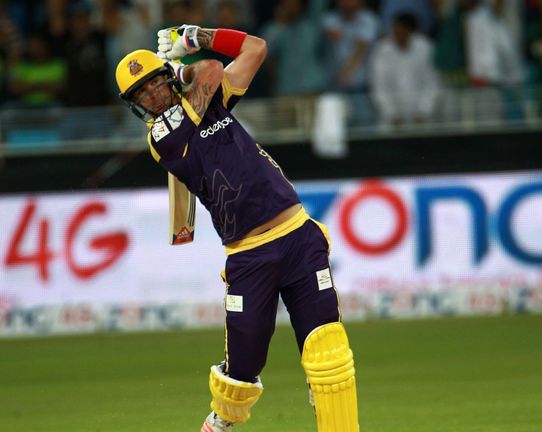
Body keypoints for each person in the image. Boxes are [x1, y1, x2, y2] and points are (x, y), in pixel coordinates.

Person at [114, 24, 359, 432]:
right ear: (137, 106)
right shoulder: (163, 137)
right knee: (242, 370)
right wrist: (188, 58)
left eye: (154, 84)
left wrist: (198, 34)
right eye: (142, 94)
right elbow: (210, 70)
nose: (152, 95)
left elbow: (256, 48)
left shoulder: (213, 104)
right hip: (249, 256)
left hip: (298, 236)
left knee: (328, 353)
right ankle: (222, 420)